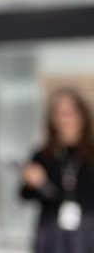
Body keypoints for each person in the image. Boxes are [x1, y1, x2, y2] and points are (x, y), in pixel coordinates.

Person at [21, 88, 94, 252]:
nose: (63, 119)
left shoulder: (91, 154)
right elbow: (25, 195)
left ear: (82, 116)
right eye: (58, 114)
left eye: (69, 113)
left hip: (87, 231)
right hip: (52, 231)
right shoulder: (44, 155)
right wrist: (36, 183)